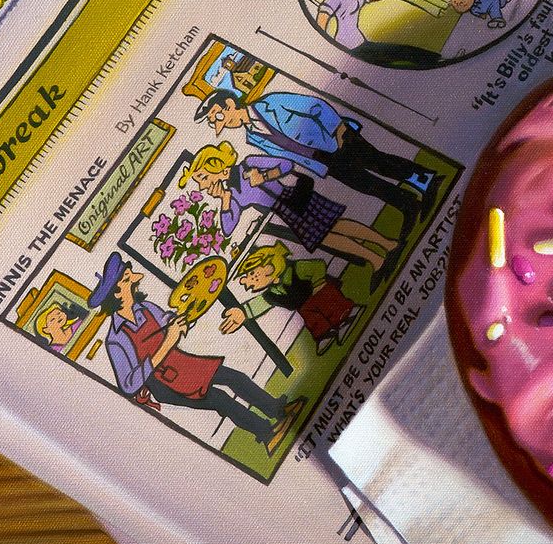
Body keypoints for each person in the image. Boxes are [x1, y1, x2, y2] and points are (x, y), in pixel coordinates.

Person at [94, 252, 302, 454]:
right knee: (221, 399)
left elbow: (166, 321)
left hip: (183, 363)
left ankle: (278, 411)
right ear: (117, 292)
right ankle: (267, 435)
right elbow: (129, 384)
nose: (132, 274)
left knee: (235, 378)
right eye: (126, 276)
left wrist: (178, 321)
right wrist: (168, 342)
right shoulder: (116, 339)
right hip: (165, 384)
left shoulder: (145, 307)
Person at [195, 88, 440, 222]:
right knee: (367, 185)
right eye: (214, 122)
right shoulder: (252, 136)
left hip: (336, 138)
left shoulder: (270, 103)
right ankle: (409, 205)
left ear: (230, 105)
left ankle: (427, 180)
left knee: (380, 163)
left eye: (217, 116)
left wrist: (338, 128)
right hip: (321, 160)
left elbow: (315, 106)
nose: (220, 124)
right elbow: (287, 155)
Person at [180, 141, 399, 274]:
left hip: (293, 195)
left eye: (202, 177)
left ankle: (386, 243)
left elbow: (286, 164)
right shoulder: (232, 193)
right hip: (283, 211)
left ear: (215, 166)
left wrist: (264, 175)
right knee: (324, 239)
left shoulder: (247, 163)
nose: (202, 183)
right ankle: (375, 259)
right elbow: (228, 228)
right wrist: (225, 200)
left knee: (336, 224)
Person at [219, 242, 359, 351]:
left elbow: (318, 266)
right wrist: (243, 313)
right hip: (304, 308)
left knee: (333, 307)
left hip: (320, 294)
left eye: (250, 275)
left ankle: (346, 316)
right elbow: (262, 302)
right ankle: (324, 335)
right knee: (315, 322)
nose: (245, 282)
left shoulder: (296, 269)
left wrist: (318, 284)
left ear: (269, 268)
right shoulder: (273, 291)